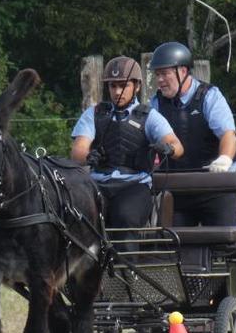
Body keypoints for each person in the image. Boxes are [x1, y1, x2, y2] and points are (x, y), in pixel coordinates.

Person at [71, 55, 183, 237]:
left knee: (124, 216)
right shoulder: (95, 114)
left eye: (123, 85)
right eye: (112, 86)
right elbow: (78, 151)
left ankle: (126, 265)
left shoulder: (149, 116)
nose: (117, 92)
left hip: (135, 185)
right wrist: (88, 156)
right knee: (79, 218)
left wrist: (168, 148)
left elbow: (177, 146)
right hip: (97, 184)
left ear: (137, 86)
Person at [149, 41, 236, 226]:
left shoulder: (209, 96)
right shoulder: (155, 104)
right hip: (176, 190)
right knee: (172, 247)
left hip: (213, 187)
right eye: (157, 74)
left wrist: (224, 159)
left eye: (165, 73)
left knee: (226, 244)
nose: (159, 80)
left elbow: (228, 134)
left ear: (183, 71)